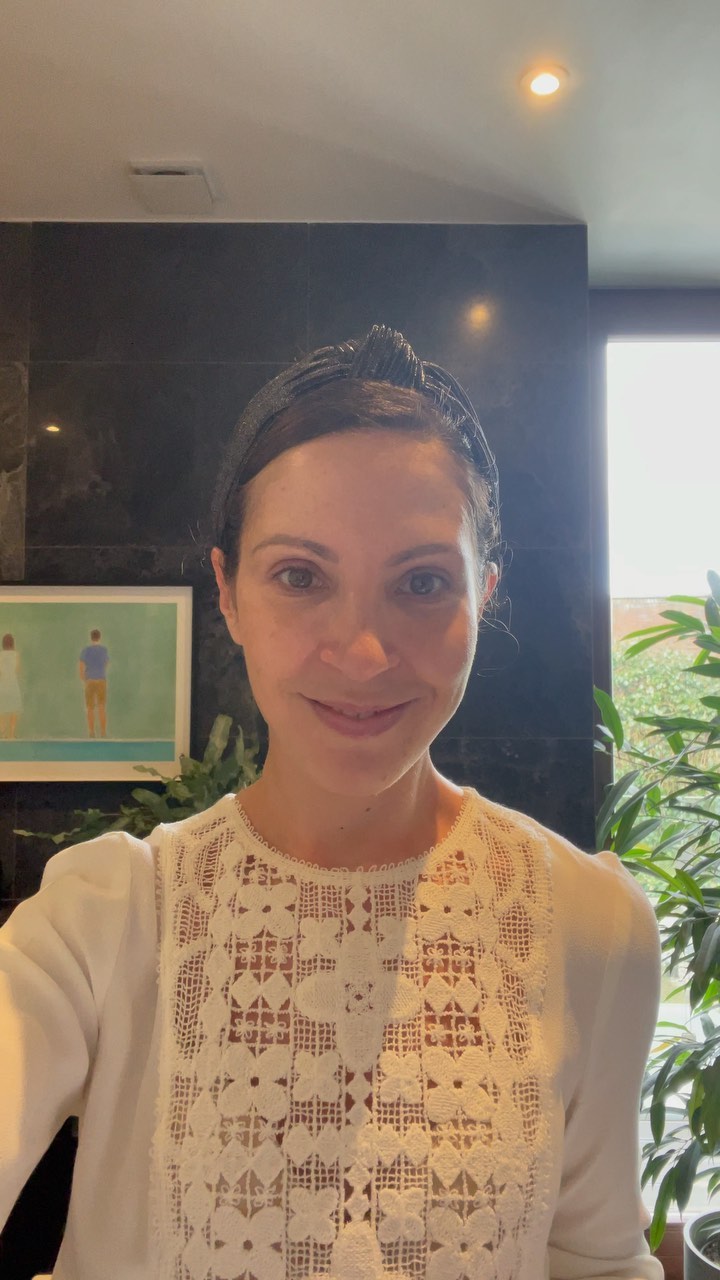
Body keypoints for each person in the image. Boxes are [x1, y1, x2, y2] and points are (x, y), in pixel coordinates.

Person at [0, 325, 664, 1280]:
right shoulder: (104, 920)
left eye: (422, 583)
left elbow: (598, 1262)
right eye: (300, 577)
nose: (362, 654)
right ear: (228, 593)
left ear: (483, 594)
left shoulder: (591, 926)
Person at [78, 628, 110, 738]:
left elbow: (81, 666)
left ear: (91, 638)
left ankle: (91, 732)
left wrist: (84, 678)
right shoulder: (104, 650)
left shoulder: (86, 650)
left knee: (90, 708)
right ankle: (103, 732)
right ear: (99, 637)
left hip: (90, 681)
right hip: (101, 680)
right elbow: (106, 663)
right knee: (101, 707)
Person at [0, 633, 22, 740]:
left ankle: (2, 733)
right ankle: (12, 734)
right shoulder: (16, 654)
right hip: (13, 683)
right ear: (12, 643)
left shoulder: (0, 655)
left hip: (3, 684)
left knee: (2, 709)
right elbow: (17, 669)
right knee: (14, 709)